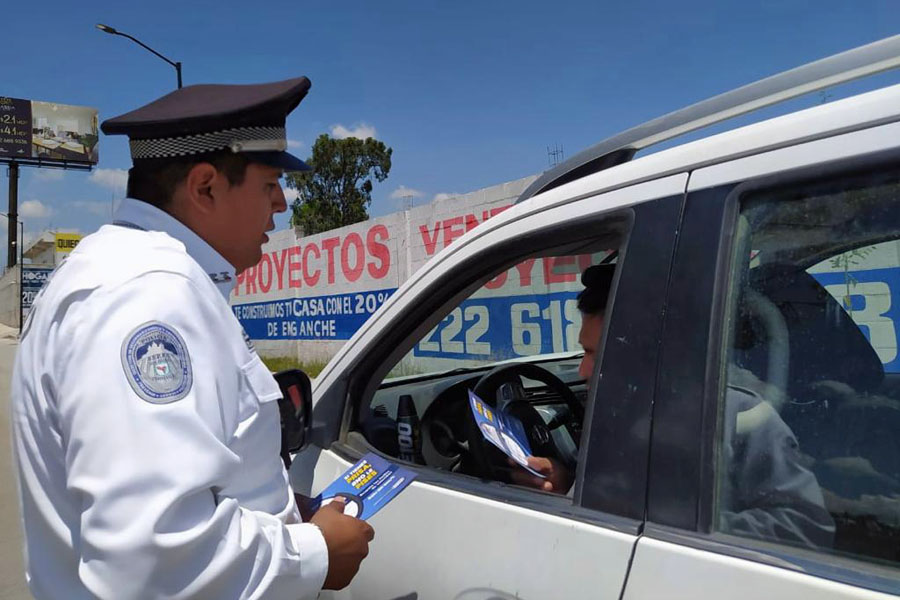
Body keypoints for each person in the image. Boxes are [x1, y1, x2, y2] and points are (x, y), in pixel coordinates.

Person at [11, 77, 374, 600]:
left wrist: (286, 519)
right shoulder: (146, 296)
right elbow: (149, 560)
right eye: (269, 183)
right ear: (205, 187)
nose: (282, 204)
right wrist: (314, 552)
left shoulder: (134, 276)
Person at [510, 264, 834, 548]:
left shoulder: (738, 415)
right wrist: (566, 483)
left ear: (649, 351)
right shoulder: (616, 412)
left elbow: (805, 528)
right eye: (585, 352)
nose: (582, 370)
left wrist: (672, 526)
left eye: (597, 354)